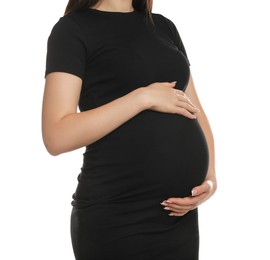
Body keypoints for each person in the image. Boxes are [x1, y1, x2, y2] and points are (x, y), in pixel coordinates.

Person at [42, 0, 217, 259]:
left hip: (179, 218)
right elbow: (56, 135)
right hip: (117, 216)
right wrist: (141, 98)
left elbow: (194, 109)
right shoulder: (72, 29)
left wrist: (209, 178)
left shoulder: (164, 27)